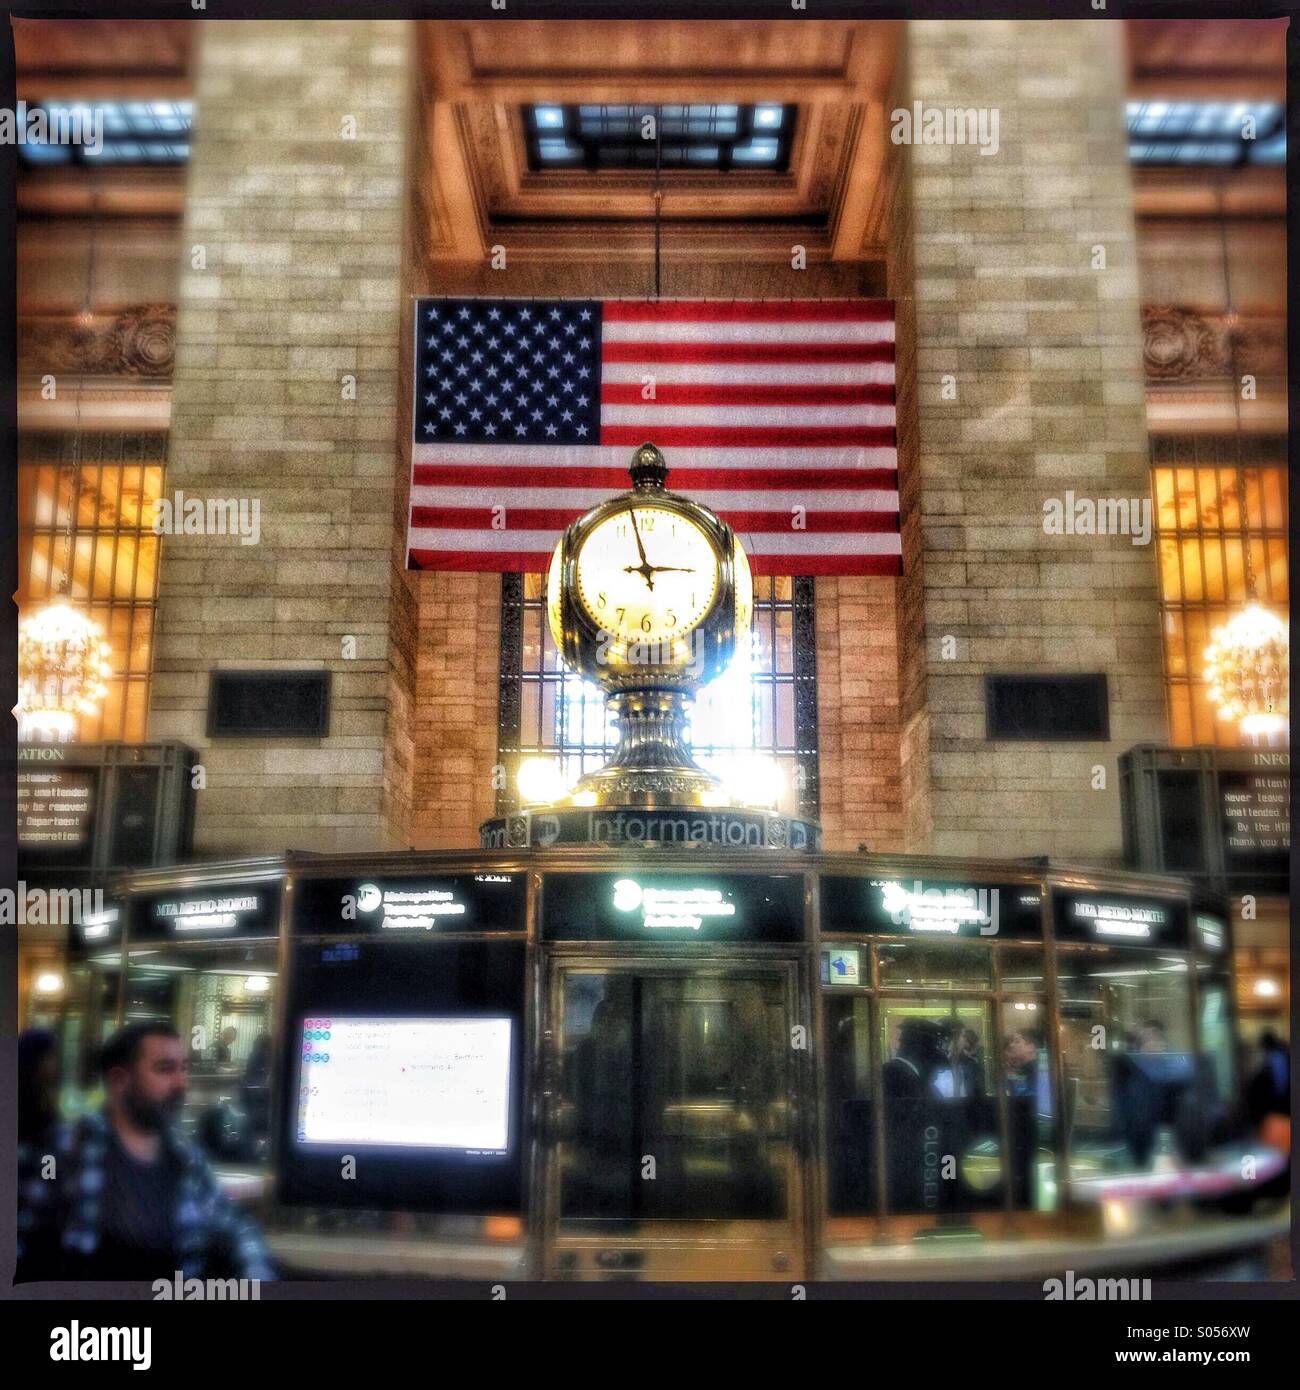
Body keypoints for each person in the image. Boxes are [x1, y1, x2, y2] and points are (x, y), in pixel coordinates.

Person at [16, 1021, 275, 1283]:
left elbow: (236, 1227)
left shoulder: (187, 1159)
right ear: (119, 1081)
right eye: (165, 1069)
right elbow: (23, 1228)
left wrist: (257, 1280)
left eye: (183, 1068)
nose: (181, 1082)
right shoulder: (62, 1150)